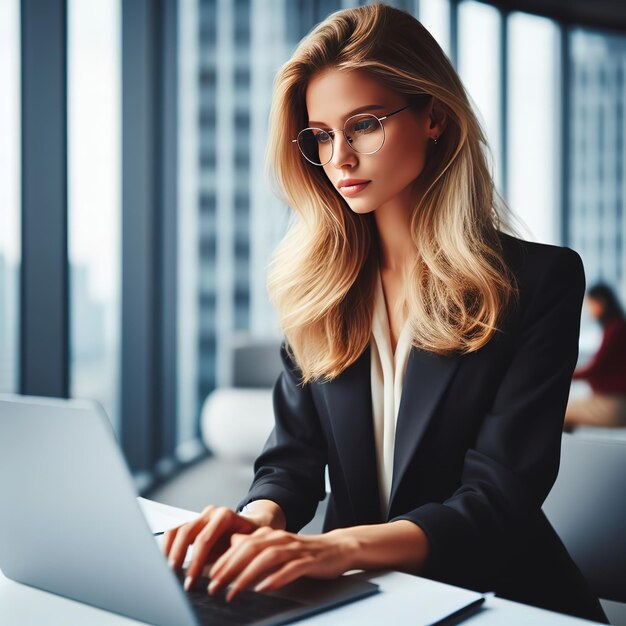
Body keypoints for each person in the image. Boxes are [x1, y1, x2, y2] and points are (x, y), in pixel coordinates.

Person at [163, 4, 607, 622]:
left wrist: (332, 549)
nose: (339, 157)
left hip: (492, 597)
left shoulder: (538, 281)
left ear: (435, 117)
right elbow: (291, 463)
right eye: (320, 135)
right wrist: (252, 521)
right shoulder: (319, 285)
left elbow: (499, 496)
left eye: (364, 124)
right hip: (350, 598)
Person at [564, 283, 626, 431]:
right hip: (611, 399)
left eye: (590, 303)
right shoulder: (616, 327)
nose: (588, 308)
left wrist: (565, 374)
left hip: (614, 403)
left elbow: (596, 369)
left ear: (602, 302)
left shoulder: (615, 330)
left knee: (558, 411)